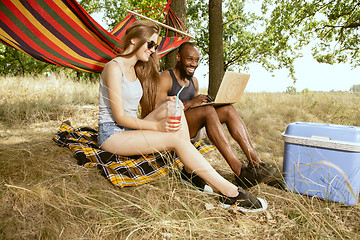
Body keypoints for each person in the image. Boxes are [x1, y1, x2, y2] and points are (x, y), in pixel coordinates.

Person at [97, 20, 267, 212]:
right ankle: (230, 193)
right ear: (134, 40)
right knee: (176, 140)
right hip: (112, 134)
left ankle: (188, 172)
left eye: (155, 46)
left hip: (130, 129)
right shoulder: (114, 67)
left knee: (175, 103)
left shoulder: (134, 68)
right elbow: (119, 117)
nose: (153, 50)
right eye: (150, 44)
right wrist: (157, 127)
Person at [157, 42, 275, 189]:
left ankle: (256, 165)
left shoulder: (194, 81)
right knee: (207, 111)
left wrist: (207, 104)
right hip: (171, 128)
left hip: (190, 126)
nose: (193, 64)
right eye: (189, 59)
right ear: (178, 57)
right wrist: (192, 103)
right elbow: (159, 111)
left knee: (228, 109)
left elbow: (194, 111)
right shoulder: (166, 77)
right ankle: (239, 171)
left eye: (196, 60)